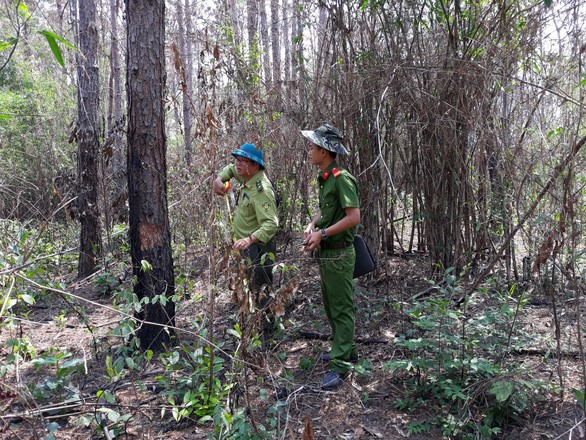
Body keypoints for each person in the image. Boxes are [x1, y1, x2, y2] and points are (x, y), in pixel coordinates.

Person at [301, 123, 361, 390]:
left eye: (312, 147)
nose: (309, 151)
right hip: (326, 254)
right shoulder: (326, 178)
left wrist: (323, 234)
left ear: (325, 152)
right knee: (330, 305)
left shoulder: (341, 178)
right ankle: (344, 349)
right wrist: (313, 225)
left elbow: (353, 217)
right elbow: (327, 212)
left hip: (338, 254)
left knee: (341, 308)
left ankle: (340, 365)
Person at [213, 143, 279, 332]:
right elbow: (231, 170)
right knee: (246, 292)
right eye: (238, 160)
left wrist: (249, 240)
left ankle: (264, 340)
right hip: (244, 247)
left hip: (258, 249)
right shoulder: (246, 174)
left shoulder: (262, 190)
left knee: (261, 293)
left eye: (244, 161)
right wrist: (219, 178)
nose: (238, 165)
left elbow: (271, 225)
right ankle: (249, 332)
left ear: (256, 166)